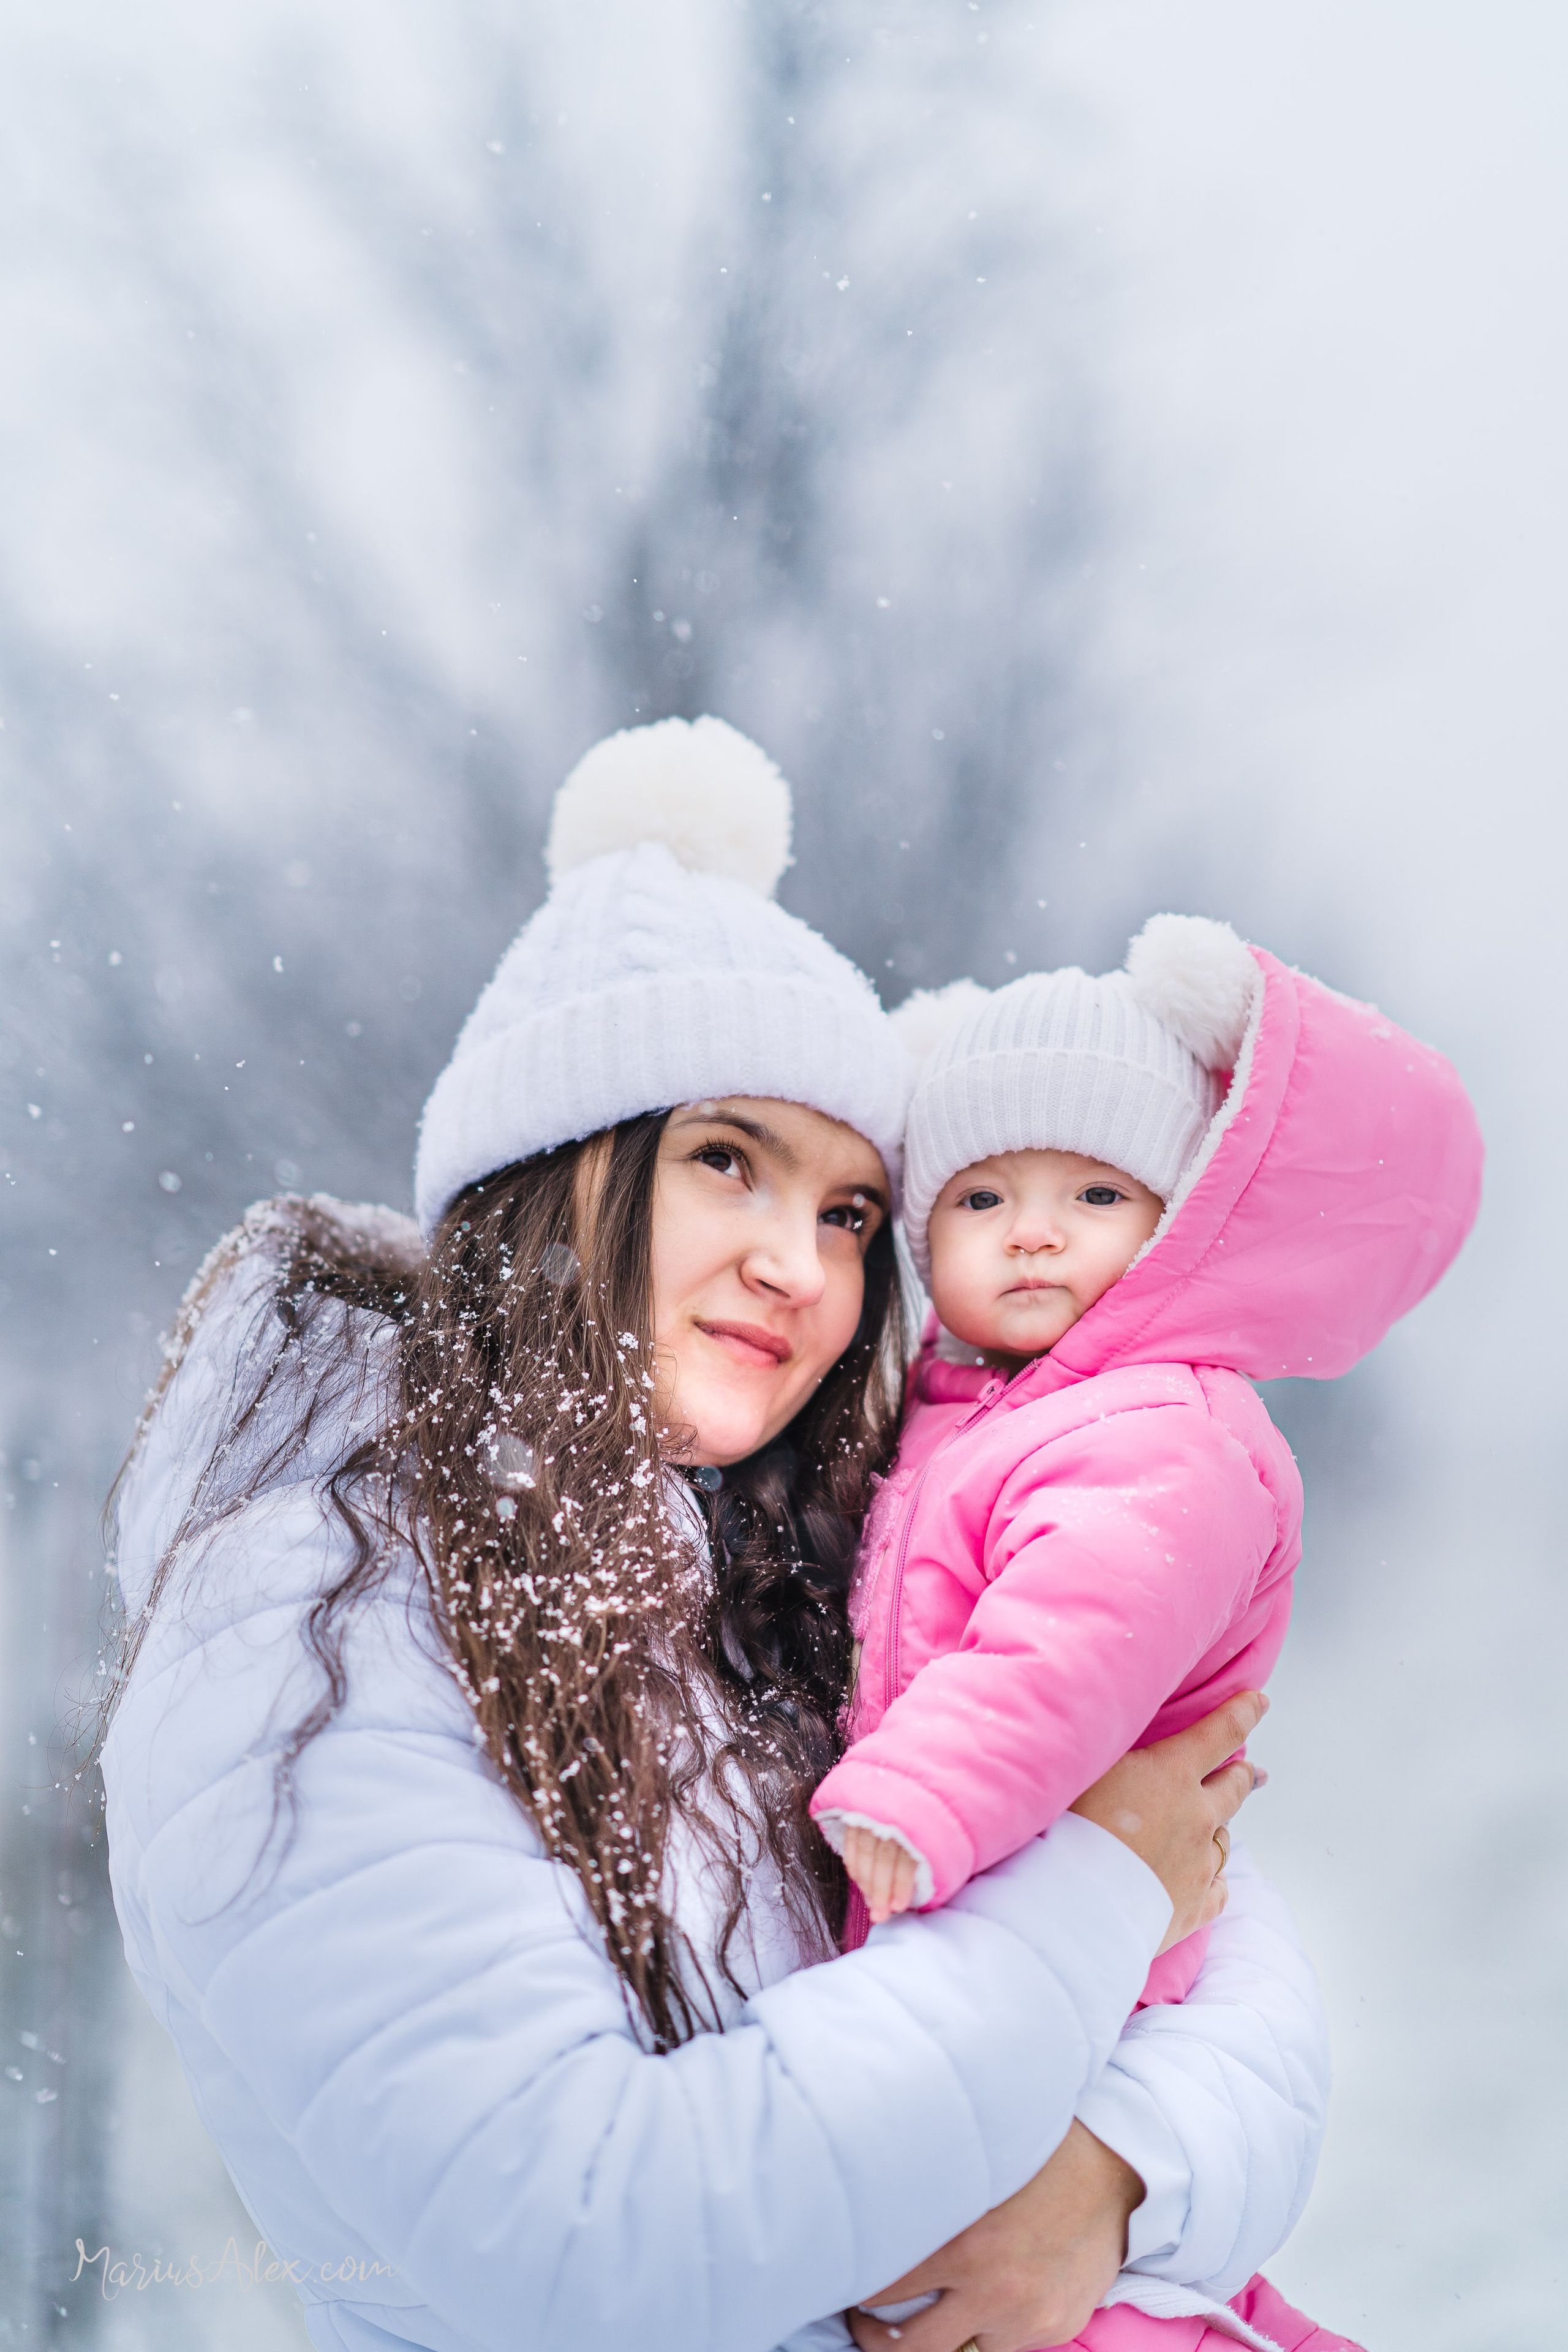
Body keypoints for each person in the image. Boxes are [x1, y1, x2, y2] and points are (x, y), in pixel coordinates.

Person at [103, 719, 1333, 2352]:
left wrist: (1115, 2180)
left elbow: (1239, 1956)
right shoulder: (307, 1619)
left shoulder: (800, 1572)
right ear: (550, 1179)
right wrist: (1096, 1888)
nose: (800, 1267)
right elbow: (590, 2235)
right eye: (726, 1163)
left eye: (846, 1214)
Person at [812, 920, 1483, 2346]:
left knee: (1063, 2283)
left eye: (1094, 1191)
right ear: (926, 1240)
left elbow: (1074, 1644)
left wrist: (923, 1792)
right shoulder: (965, 1417)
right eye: (983, 1196)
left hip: (1068, 1905)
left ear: (1172, 1224)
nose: (1034, 1229)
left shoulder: (1154, 1428)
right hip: (1004, 1906)